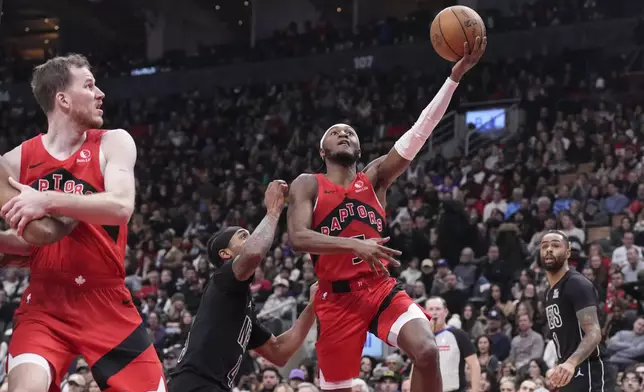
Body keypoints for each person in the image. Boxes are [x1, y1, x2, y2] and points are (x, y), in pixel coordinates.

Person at [287, 37, 487, 392]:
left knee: (427, 351)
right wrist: (354, 246)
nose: (344, 134)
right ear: (323, 149)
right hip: (335, 300)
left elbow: (420, 131)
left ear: (360, 146)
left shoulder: (375, 177)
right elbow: (298, 238)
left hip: (378, 288)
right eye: (335, 133)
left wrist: (453, 78)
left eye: (350, 132)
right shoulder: (308, 183)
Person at [0, 54, 165, 392]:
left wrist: (46, 200)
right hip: (46, 303)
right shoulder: (14, 162)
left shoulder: (113, 141)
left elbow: (121, 207)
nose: (100, 93)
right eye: (89, 86)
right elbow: (33, 241)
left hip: (105, 300)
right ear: (62, 99)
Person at [168, 180, 318, 392]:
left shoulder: (239, 306)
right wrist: (274, 211)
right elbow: (254, 253)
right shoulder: (222, 280)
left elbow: (279, 352)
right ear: (225, 254)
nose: (252, 238)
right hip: (195, 383)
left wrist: (312, 306)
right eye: (243, 236)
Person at [541, 230, 614, 391]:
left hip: (590, 369)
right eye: (544, 246)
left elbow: (594, 332)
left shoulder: (576, 284)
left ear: (568, 252)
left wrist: (571, 362)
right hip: (569, 370)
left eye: (555, 245)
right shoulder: (550, 292)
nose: (549, 249)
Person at [425, 297, 480, 392]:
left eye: (438, 309)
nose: (434, 313)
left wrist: (475, 389)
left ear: (445, 312)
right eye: (431, 309)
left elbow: (474, 364)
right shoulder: (421, 338)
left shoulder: (459, 335)